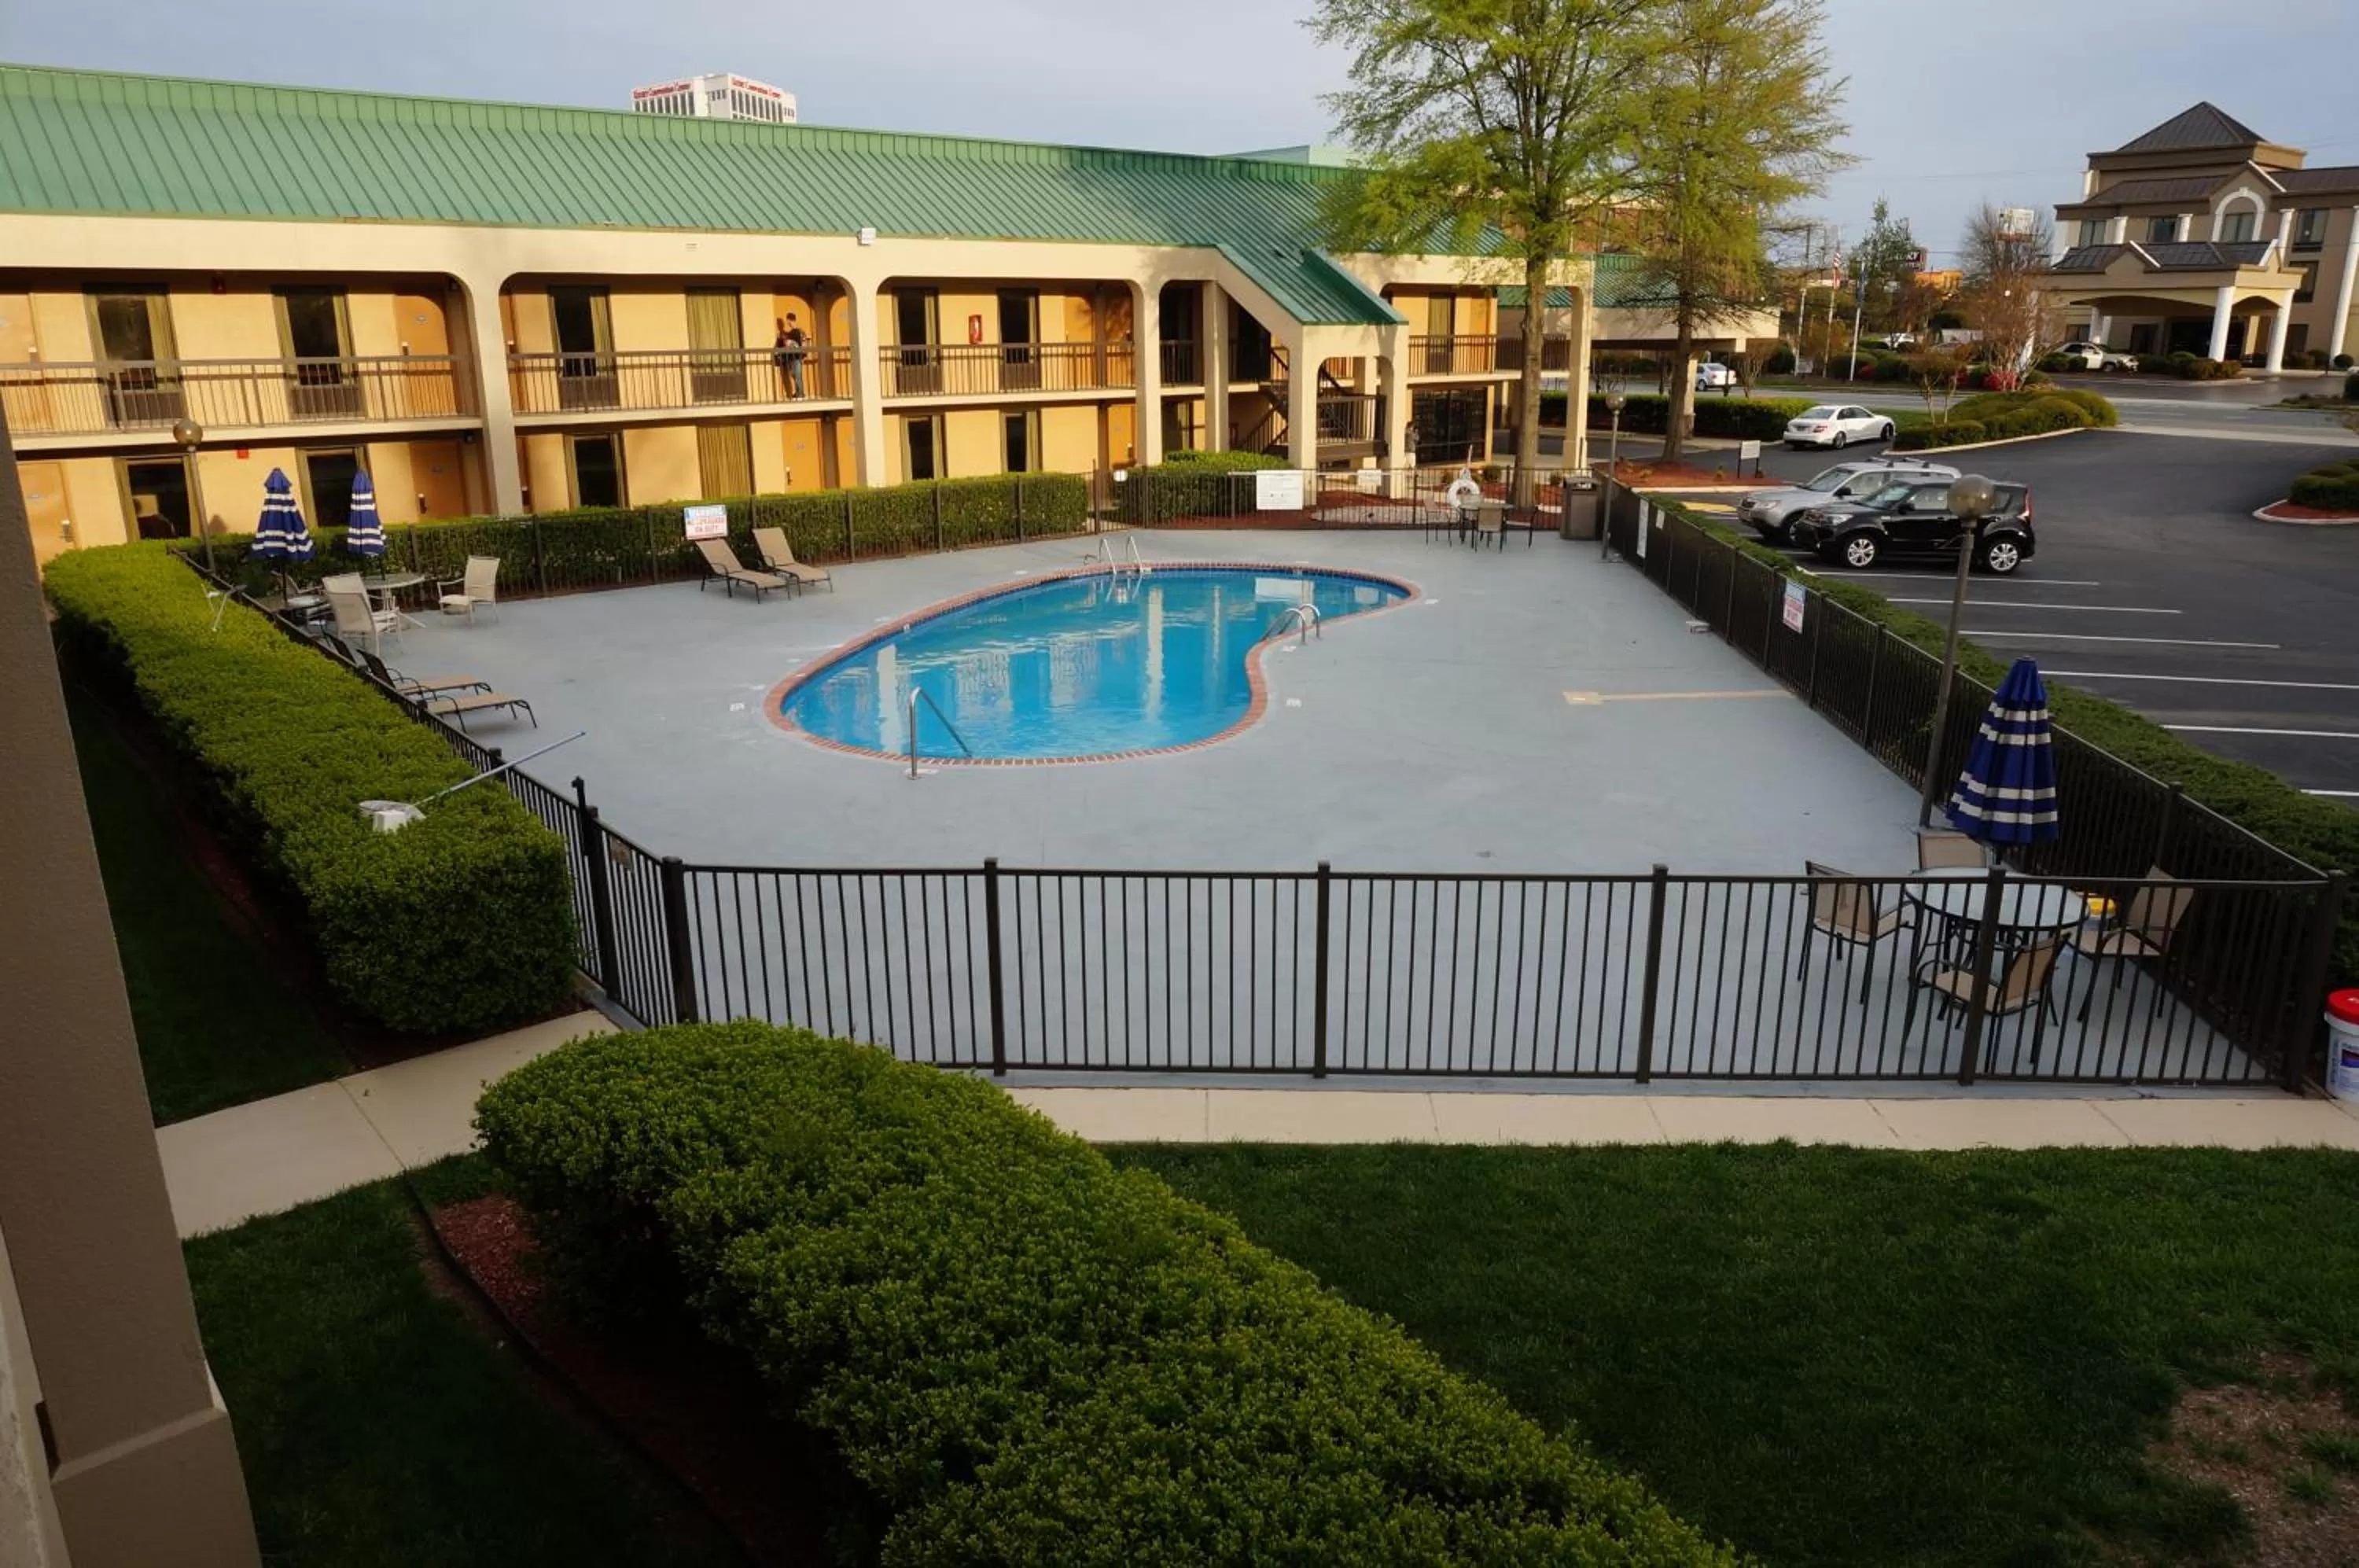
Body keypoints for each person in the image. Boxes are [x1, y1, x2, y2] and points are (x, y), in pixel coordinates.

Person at [774, 314, 809, 398]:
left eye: (788, 321)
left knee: (797, 375)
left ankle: (800, 394)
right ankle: (798, 392)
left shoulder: (799, 332)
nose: (787, 322)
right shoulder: (790, 333)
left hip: (797, 357)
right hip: (792, 358)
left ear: (790, 320)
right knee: (794, 374)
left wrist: (803, 356)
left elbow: (803, 344)